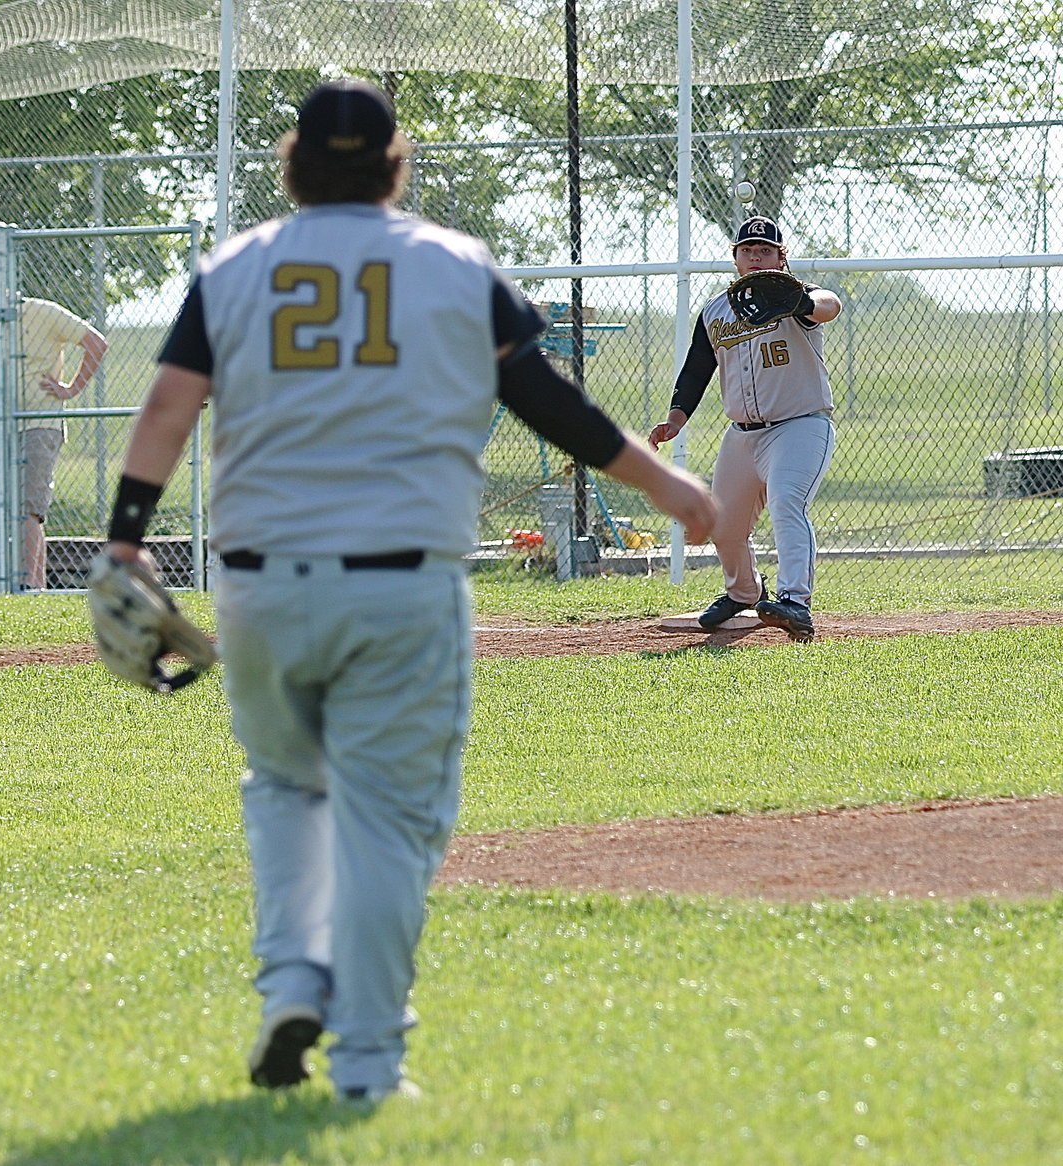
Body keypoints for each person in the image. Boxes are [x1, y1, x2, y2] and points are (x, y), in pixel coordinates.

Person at [91, 78, 715, 1105]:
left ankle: (293, 979)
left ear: (294, 159)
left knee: (286, 785)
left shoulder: (237, 264)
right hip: (401, 583)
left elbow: (167, 406)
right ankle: (370, 1061)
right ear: (395, 161)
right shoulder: (448, 261)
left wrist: (122, 544)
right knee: (386, 819)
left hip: (261, 583)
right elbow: (543, 398)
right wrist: (667, 482)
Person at [649, 216, 841, 641]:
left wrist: (803, 304)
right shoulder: (715, 310)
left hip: (799, 426)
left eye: (766, 250)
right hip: (741, 435)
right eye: (748, 250)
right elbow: (697, 368)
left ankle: (795, 601)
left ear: (780, 258)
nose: (756, 256)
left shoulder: (795, 297)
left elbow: (829, 304)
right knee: (724, 524)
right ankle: (744, 592)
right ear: (735, 258)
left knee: (787, 502)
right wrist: (675, 419)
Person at [0, 273, 108, 589]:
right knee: (13, 508)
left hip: (41, 422)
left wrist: (71, 389)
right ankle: (34, 585)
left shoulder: (43, 311)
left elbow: (96, 343)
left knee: (29, 507)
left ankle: (25, 585)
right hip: (0, 426)